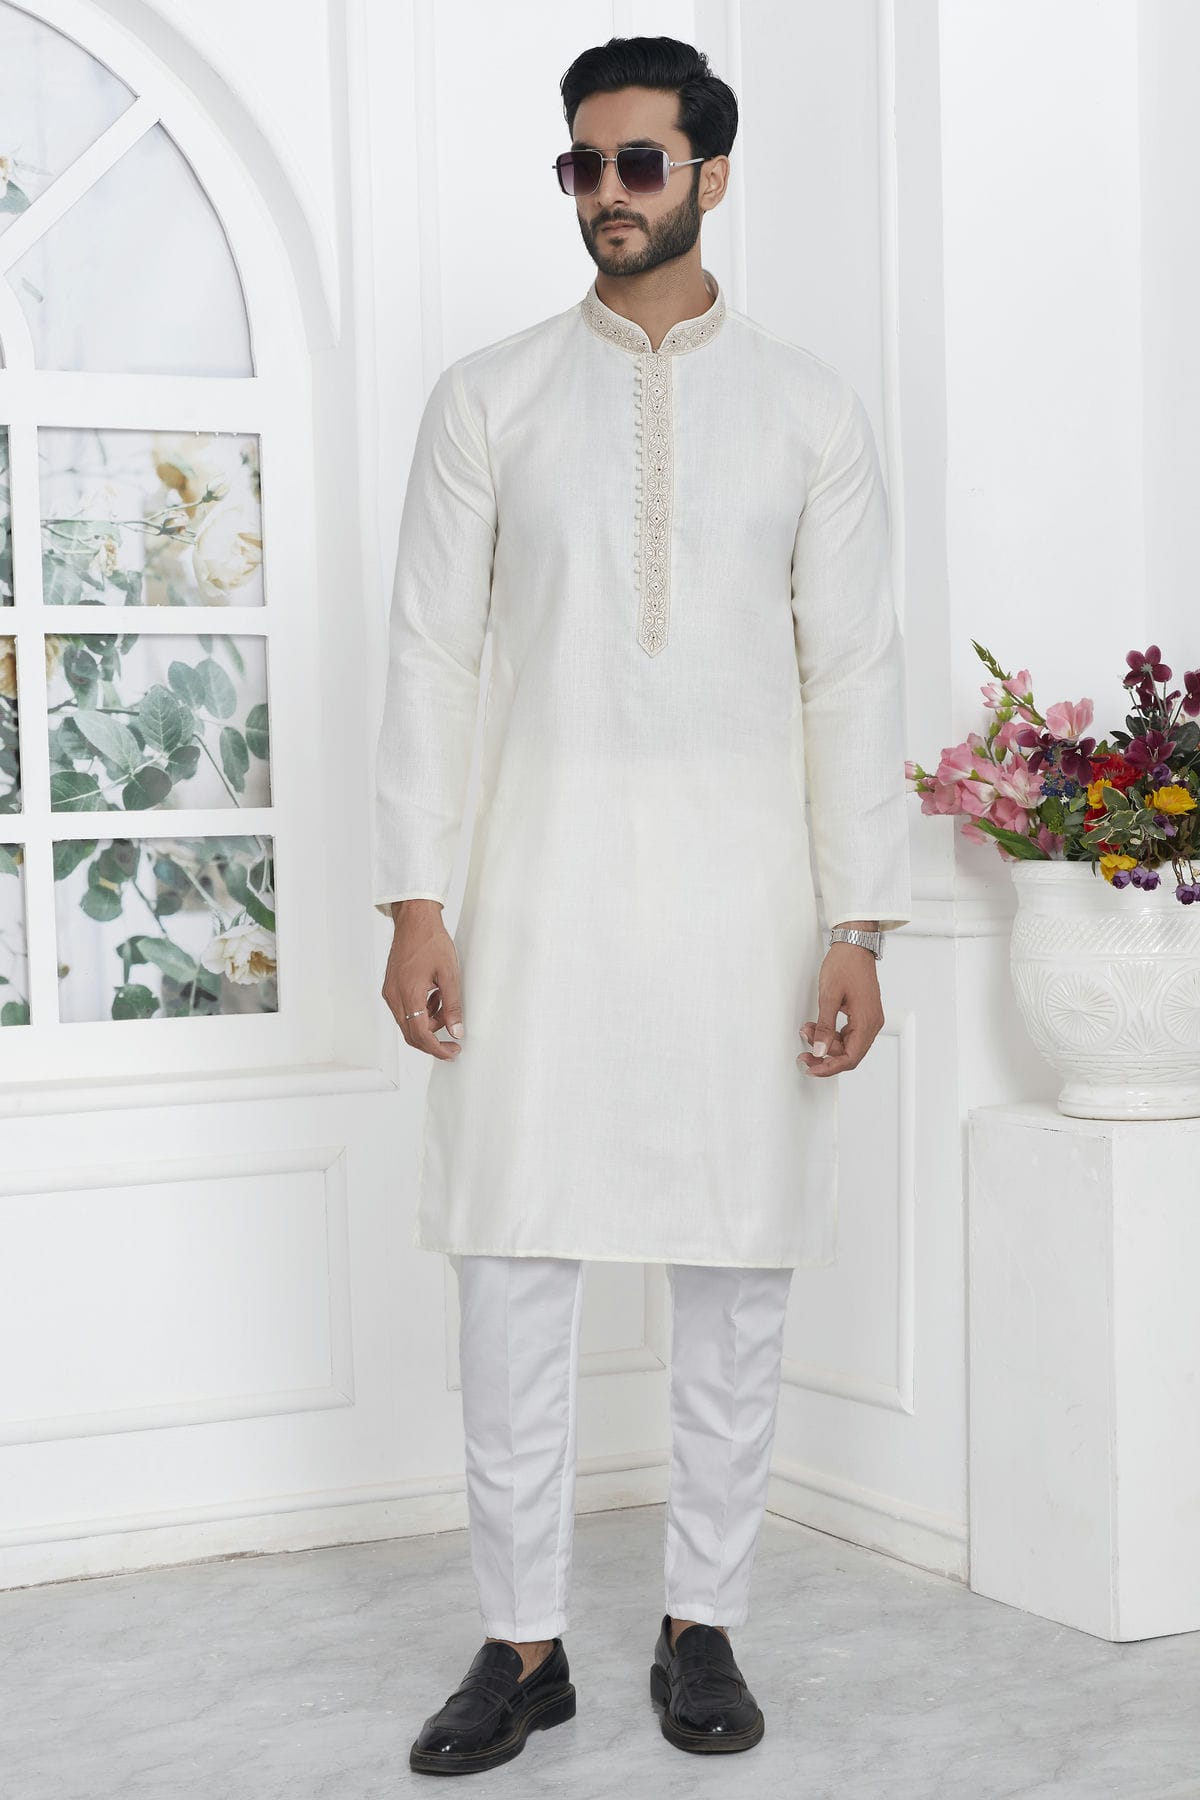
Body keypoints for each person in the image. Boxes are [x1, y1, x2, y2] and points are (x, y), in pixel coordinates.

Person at [372, 34, 912, 1775]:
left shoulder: (811, 408)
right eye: (580, 165)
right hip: (533, 893)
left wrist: (859, 921)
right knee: (512, 1266)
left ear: (710, 176)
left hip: (749, 904)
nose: (604, 194)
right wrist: (416, 901)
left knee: (737, 1267)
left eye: (637, 163)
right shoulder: (490, 398)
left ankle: (702, 1621)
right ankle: (521, 1642)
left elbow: (855, 673)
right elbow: (430, 657)